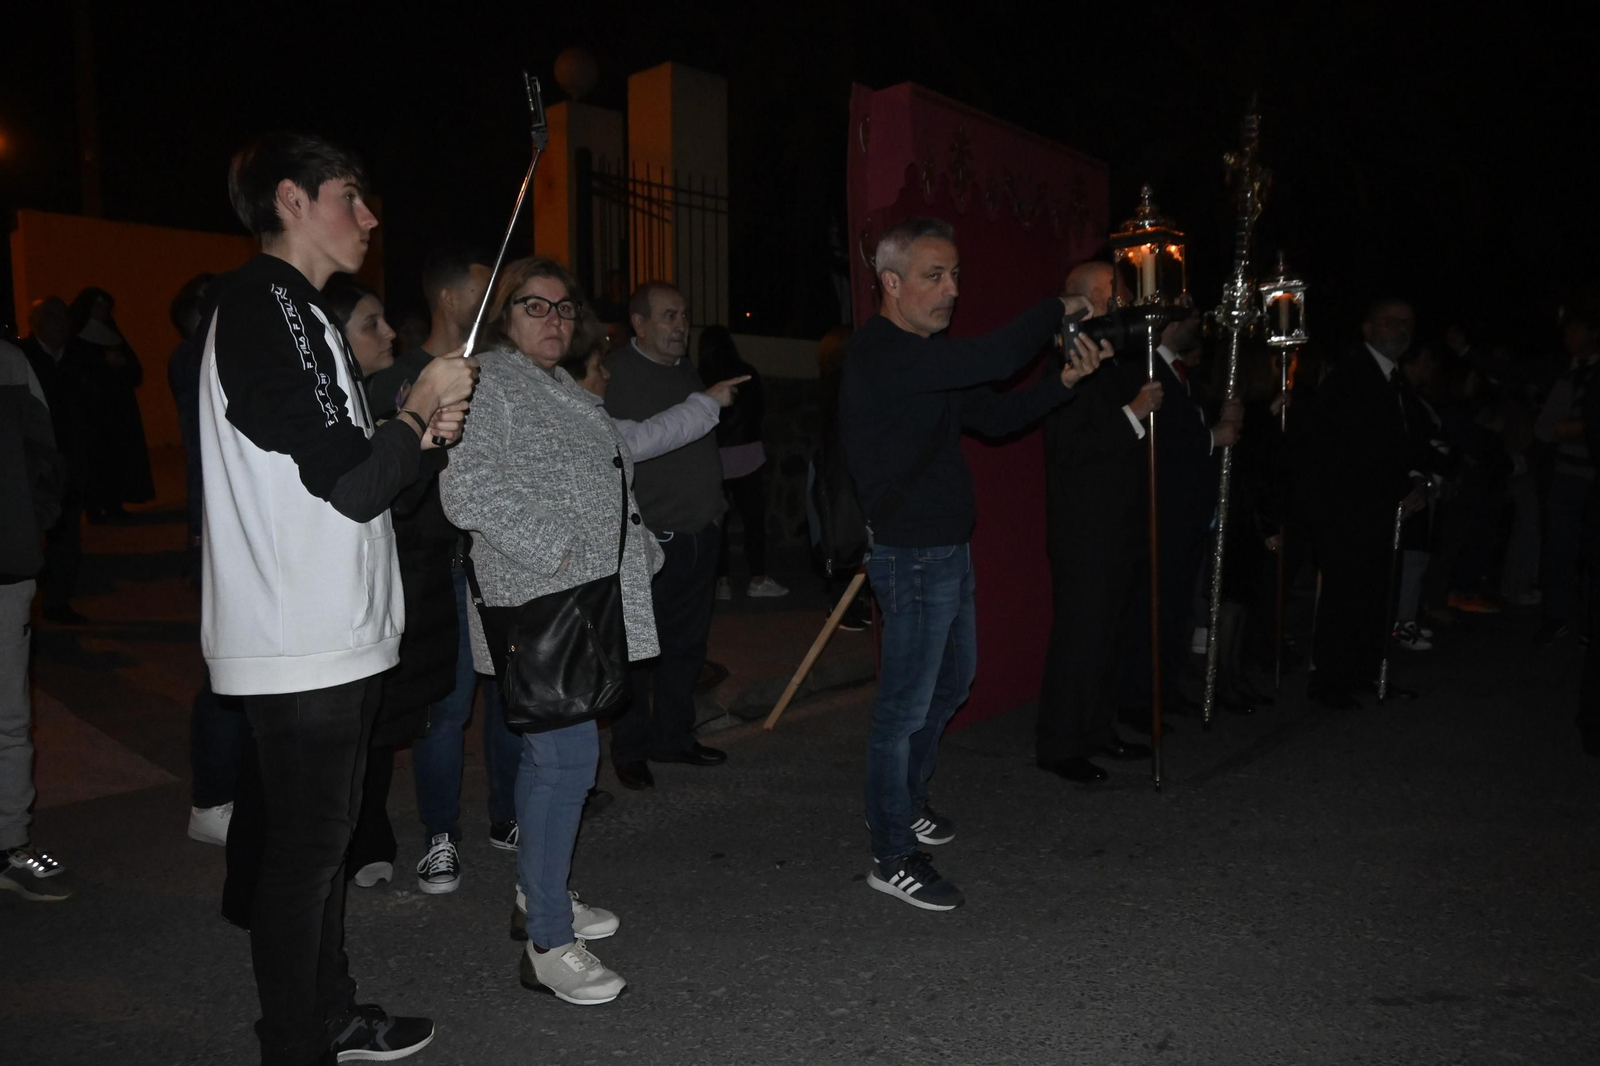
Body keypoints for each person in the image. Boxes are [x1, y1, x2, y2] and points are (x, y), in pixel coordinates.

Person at [201, 131, 477, 1066]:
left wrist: (421, 433)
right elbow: (353, 486)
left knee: (316, 854)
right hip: (300, 636)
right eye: (350, 198)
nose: (369, 217)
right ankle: (298, 1041)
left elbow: (366, 478)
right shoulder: (261, 303)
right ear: (291, 200)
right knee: (306, 857)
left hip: (333, 633)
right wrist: (413, 407)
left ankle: (330, 1015)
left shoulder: (299, 313)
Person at [839, 217, 1110, 911]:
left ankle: (907, 799)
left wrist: (1065, 382)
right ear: (891, 283)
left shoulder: (929, 354)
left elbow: (993, 417)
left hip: (946, 551)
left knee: (951, 685)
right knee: (901, 711)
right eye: (936, 275)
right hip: (912, 554)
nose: (952, 289)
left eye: (956, 274)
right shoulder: (881, 352)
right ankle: (891, 852)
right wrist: (1060, 307)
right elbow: (994, 358)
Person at [439, 257, 659, 1006]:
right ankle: (549, 945)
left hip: (582, 594)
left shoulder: (558, 384)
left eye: (565, 309)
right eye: (535, 307)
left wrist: (641, 545)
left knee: (550, 759)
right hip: (542, 597)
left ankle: (541, 897)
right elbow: (466, 488)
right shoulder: (490, 382)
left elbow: (605, 477)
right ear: (504, 315)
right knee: (566, 761)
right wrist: (558, 548)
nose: (555, 321)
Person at [316, 275, 454, 891]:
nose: (391, 332)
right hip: (333, 594)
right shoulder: (331, 406)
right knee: (339, 728)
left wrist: (424, 445)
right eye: (370, 323)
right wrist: (414, 428)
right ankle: (341, 837)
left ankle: (368, 829)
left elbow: (404, 499)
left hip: (400, 581)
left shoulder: (367, 398)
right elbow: (371, 499)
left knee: (381, 717)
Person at [1036, 261, 1163, 784]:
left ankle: (1097, 729)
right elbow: (1071, 449)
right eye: (1113, 296)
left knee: (1108, 635)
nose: (1120, 305)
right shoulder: (1069, 363)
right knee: (1082, 637)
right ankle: (1061, 743)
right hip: (1085, 528)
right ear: (1083, 302)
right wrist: (1133, 412)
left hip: (1118, 522)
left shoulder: (1110, 361)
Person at [602, 282, 730, 790]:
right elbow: (628, 447)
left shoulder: (687, 371)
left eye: (684, 316)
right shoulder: (615, 374)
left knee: (686, 647)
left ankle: (673, 736)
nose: (681, 326)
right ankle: (630, 748)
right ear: (638, 322)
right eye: (669, 316)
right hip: (653, 538)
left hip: (702, 533)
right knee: (638, 650)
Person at [1305, 299, 1430, 709]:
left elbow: (1406, 443)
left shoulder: (1395, 381)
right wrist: (1396, 483)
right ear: (1368, 329)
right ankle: (1330, 681)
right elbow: (1349, 449)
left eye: (1407, 323)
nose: (1401, 330)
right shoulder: (1350, 378)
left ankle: (1365, 671)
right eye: (1391, 322)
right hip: (1348, 510)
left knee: (1376, 595)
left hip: (1379, 510)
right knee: (1345, 595)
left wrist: (1414, 480)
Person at [1120, 311, 1244, 723]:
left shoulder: (1179, 373)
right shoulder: (1146, 369)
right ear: (1170, 324)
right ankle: (1139, 699)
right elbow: (1160, 443)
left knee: (1176, 608)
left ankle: (1165, 689)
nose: (1198, 327)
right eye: (1189, 319)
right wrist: (1212, 437)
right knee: (1153, 609)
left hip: (1187, 514)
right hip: (1161, 513)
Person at [167, 272, 248, 847]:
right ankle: (212, 799)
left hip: (217, 526)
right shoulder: (199, 356)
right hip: (219, 530)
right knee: (227, 671)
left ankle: (223, 792)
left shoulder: (202, 354)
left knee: (233, 667)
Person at [0, 337, 73, 901]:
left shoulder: (8, 361)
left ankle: (9, 846)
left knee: (8, 718)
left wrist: (27, 529)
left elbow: (44, 454)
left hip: (5, 568)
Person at [699, 326, 787, 601]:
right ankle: (757, 578)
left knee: (718, 522)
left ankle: (722, 581)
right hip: (747, 453)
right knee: (753, 520)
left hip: (716, 455)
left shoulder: (700, 376)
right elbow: (759, 409)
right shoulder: (746, 372)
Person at [19, 297, 89, 625]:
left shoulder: (76, 357)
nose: (59, 325)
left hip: (70, 460)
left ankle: (58, 601)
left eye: (63, 319)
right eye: (51, 318)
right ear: (36, 324)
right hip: (34, 463)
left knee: (67, 533)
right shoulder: (23, 359)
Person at [1534, 305, 1599, 644]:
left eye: (1577, 332)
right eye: (1567, 334)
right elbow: (1545, 428)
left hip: (1593, 476)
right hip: (1568, 475)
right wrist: (1580, 428)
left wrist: (1582, 426)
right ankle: (1556, 616)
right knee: (1559, 547)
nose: (1571, 340)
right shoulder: (1566, 376)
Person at [65, 287, 155, 521]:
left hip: (118, 410)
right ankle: (94, 508)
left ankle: (115, 504)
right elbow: (74, 373)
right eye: (99, 306)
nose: (103, 312)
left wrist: (121, 364)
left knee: (117, 458)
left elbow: (136, 371)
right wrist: (103, 364)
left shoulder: (113, 335)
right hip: (92, 412)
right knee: (95, 459)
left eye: (106, 307)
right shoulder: (75, 339)